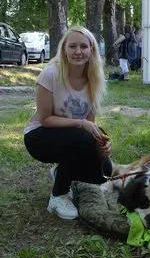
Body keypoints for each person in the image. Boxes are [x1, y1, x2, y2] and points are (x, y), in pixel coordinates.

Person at [23, 26, 112, 220]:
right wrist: (82, 125)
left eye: (83, 46)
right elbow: (45, 119)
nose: (78, 51)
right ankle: (58, 196)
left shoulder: (95, 79)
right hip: (39, 136)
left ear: (92, 50)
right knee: (81, 137)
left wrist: (102, 145)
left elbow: (89, 126)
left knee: (104, 172)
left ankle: (61, 171)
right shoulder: (51, 74)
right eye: (72, 46)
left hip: (72, 135)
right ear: (64, 49)